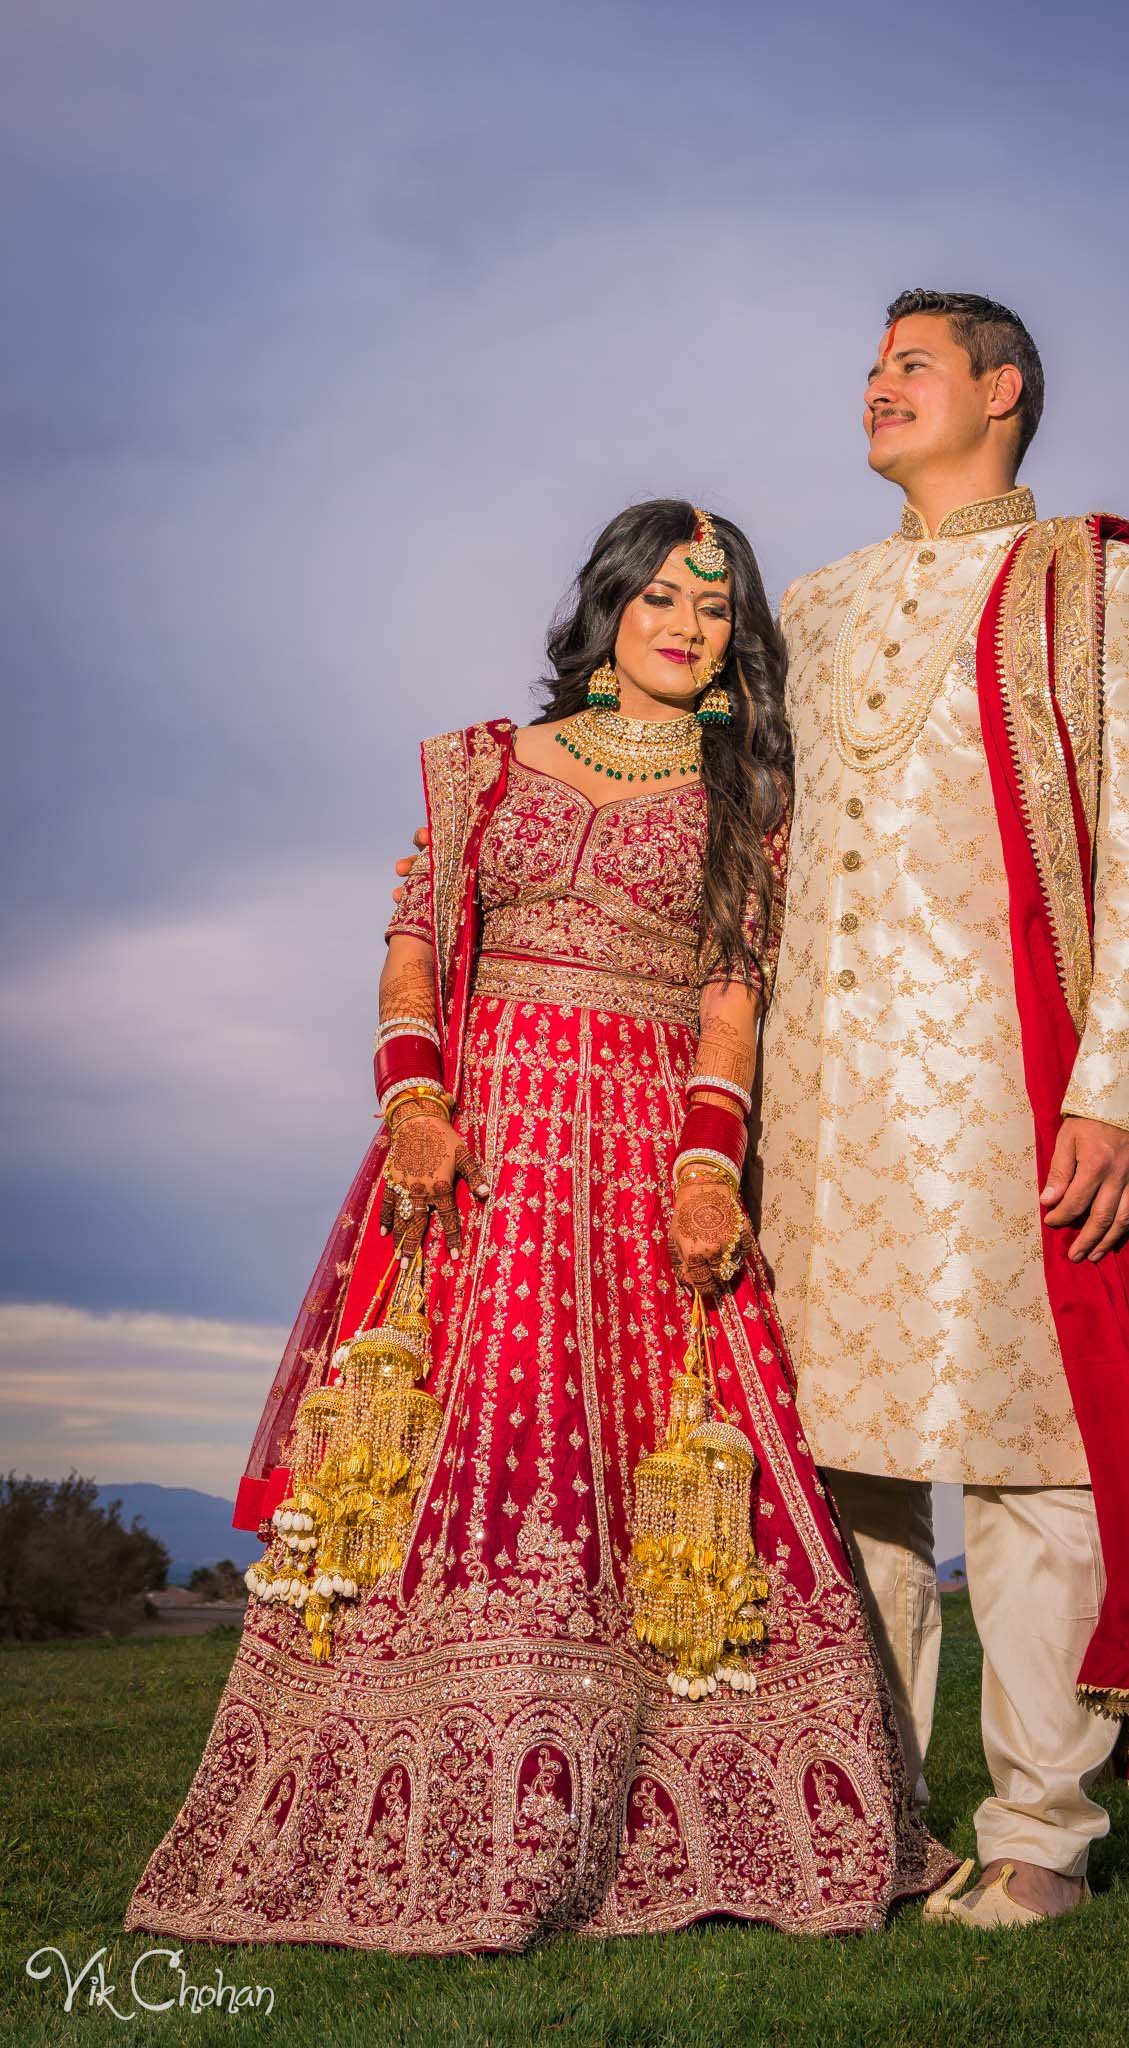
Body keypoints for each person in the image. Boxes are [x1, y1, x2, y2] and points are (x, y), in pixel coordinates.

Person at [123, 501, 955, 1956]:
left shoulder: (740, 796)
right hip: (486, 1152)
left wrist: (708, 1172)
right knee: (478, 1446)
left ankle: (702, 1820)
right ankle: (444, 1816)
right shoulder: (482, 771)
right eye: (661, 602)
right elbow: (410, 944)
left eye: (714, 609)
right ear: (608, 609)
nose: (686, 629)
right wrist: (414, 1108)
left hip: (641, 1159)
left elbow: (730, 998)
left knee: (673, 1477)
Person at [758, 290, 1129, 1926]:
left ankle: (1039, 1835)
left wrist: (1119, 1091)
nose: (875, 388)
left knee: (1022, 1461)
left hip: (1007, 1083)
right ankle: (867, 1829)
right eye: (867, 367)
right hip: (820, 1100)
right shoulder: (814, 601)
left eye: (910, 365)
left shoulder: (1090, 574)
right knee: (836, 1474)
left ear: (1000, 392)